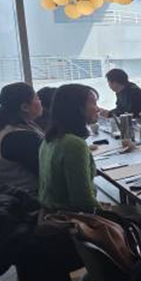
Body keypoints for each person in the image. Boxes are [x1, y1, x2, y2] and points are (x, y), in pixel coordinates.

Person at [39, 84, 102, 213]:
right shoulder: (74, 144)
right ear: (78, 108)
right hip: (72, 218)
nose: (98, 109)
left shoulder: (49, 139)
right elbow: (83, 201)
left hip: (49, 213)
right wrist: (109, 212)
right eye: (93, 103)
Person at [0, 83, 44, 196]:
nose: (40, 102)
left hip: (6, 190)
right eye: (37, 98)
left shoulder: (4, 124)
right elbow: (46, 171)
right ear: (25, 107)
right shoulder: (19, 137)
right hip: (25, 196)